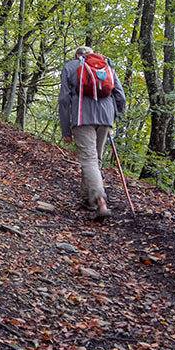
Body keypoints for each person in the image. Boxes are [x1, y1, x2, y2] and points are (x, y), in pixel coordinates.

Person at [58, 46, 126, 220]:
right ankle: (86, 199)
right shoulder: (106, 66)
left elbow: (64, 99)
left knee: (89, 159)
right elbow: (120, 96)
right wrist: (114, 115)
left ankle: (99, 200)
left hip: (83, 116)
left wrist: (66, 128)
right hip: (105, 116)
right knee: (95, 159)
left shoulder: (70, 66)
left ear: (77, 55)